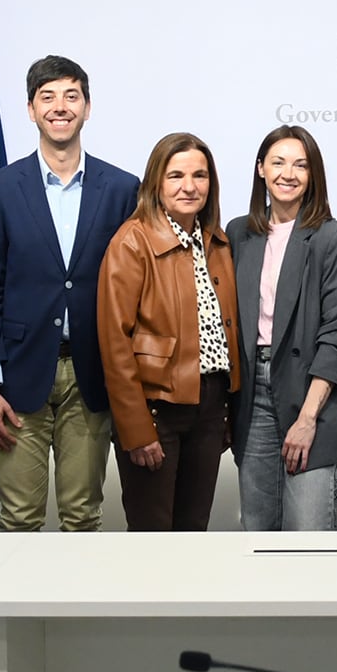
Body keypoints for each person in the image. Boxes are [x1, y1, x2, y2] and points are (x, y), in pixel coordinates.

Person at [0, 56, 138, 532]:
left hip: (91, 374)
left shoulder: (123, 188)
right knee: (19, 518)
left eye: (71, 96)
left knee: (83, 517)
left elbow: (131, 290)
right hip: (19, 375)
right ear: (30, 110)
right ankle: (21, 611)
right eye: (47, 97)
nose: (60, 107)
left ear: (87, 107)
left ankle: (74, 610)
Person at [95, 133, 242, 532]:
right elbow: (114, 344)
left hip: (210, 407)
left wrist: (227, 409)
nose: (189, 186)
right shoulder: (132, 242)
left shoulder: (217, 242)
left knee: (194, 530)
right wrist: (136, 428)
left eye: (200, 175)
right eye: (176, 175)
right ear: (156, 183)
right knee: (153, 537)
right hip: (157, 411)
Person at [228, 126, 337, 532]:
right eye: (278, 162)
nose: (289, 173)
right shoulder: (238, 233)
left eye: (301, 165)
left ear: (313, 174)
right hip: (252, 393)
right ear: (260, 170)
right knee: (257, 525)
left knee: (308, 530)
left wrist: (307, 418)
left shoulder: (333, 237)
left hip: (312, 392)